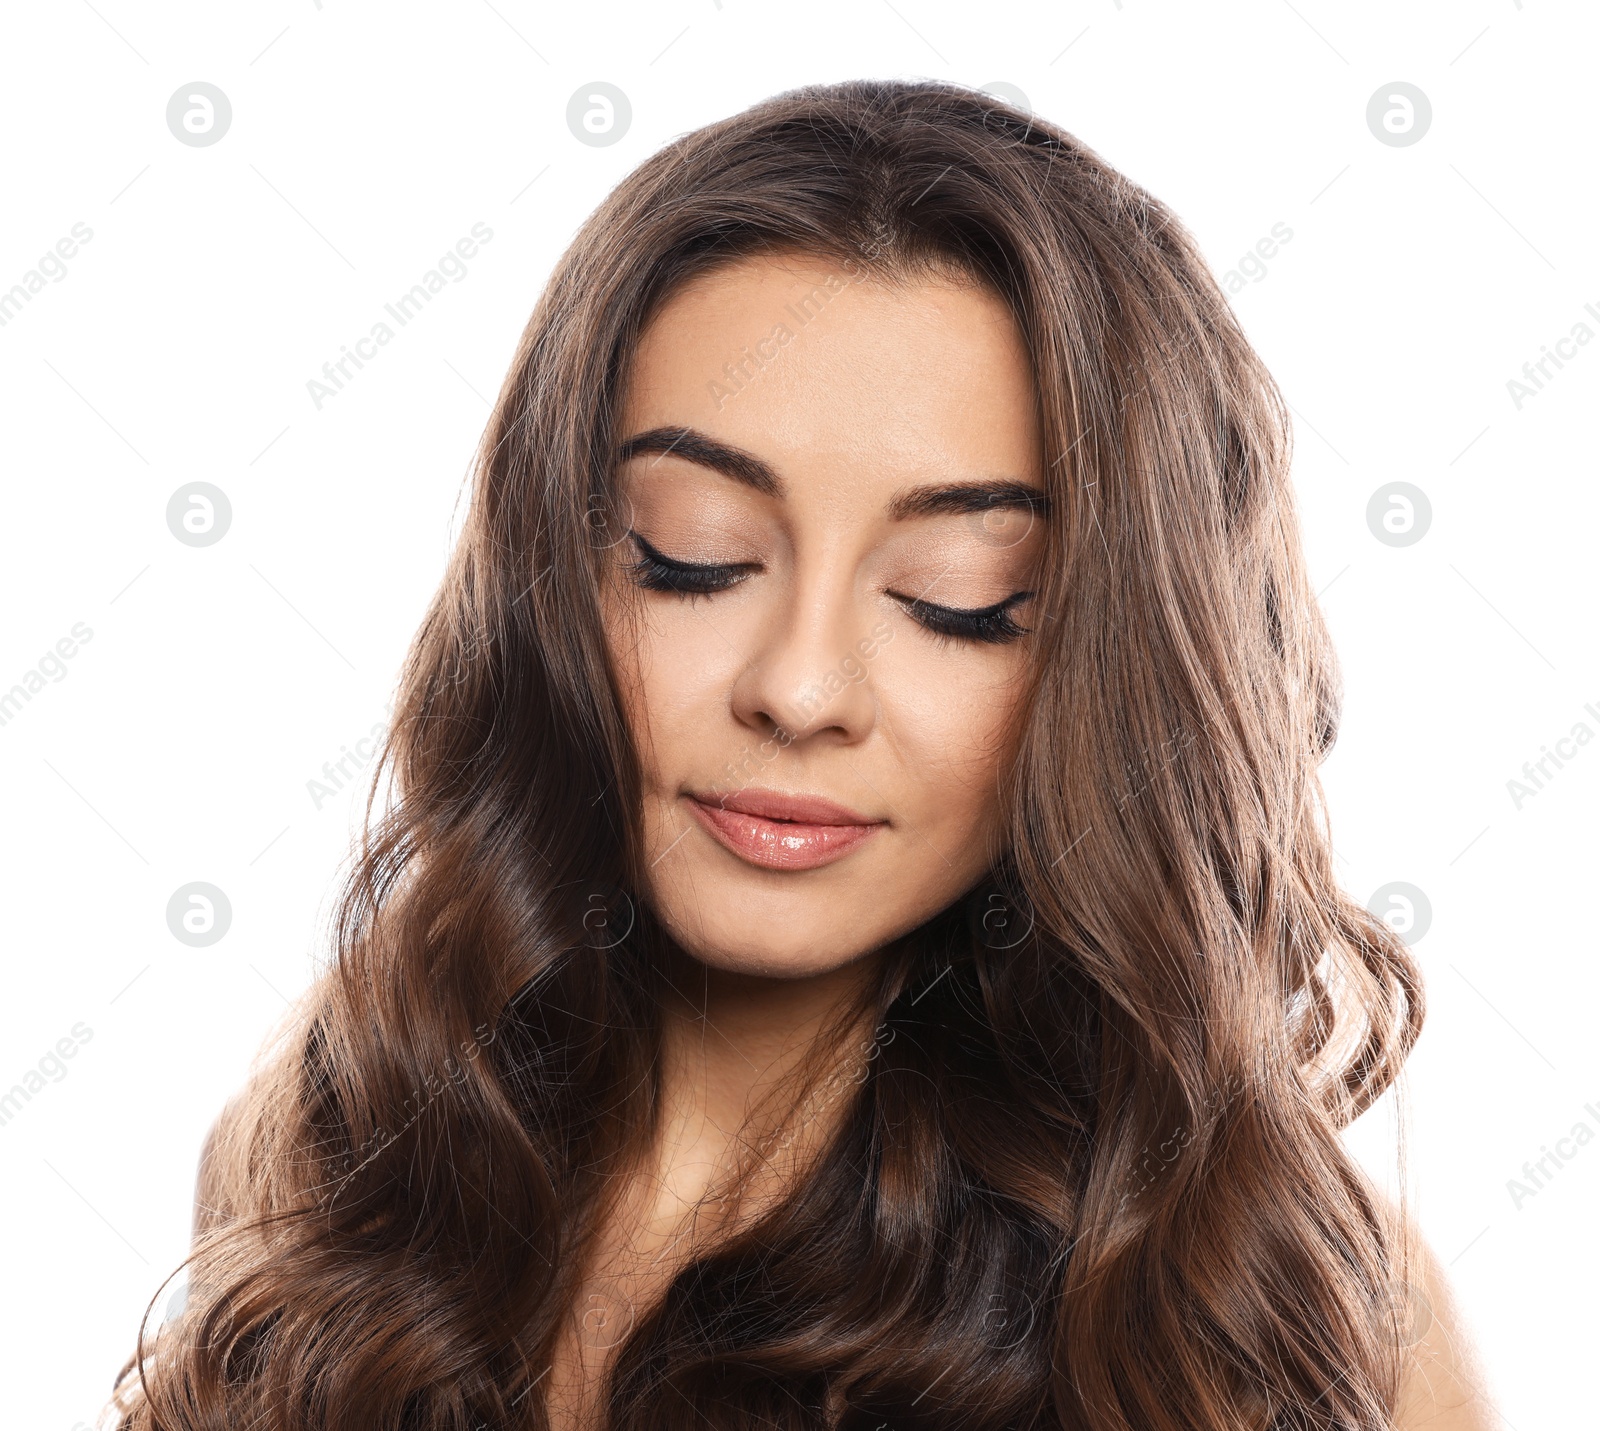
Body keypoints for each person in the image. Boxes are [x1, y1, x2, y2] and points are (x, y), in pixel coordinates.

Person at [111, 79, 1495, 1431]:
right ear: (551, 571)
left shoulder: (1276, 1299)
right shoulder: (326, 1158)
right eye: (690, 560)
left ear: (1104, 663)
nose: (799, 688)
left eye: (960, 598)